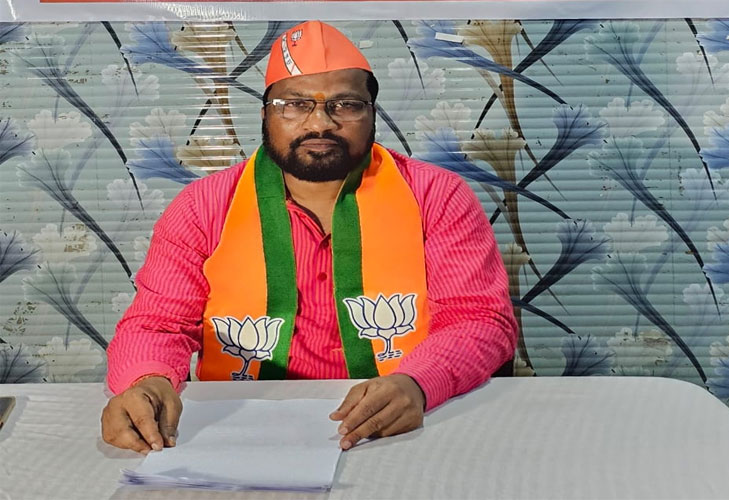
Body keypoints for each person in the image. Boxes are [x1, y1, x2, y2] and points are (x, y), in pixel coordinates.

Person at [100, 20, 517, 454]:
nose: (320, 123)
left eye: (345, 105)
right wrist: (147, 381)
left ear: (373, 114)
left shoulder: (436, 196)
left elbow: (478, 318)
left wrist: (418, 381)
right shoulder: (202, 207)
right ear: (265, 114)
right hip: (242, 430)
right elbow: (157, 324)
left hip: (404, 424)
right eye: (295, 104)